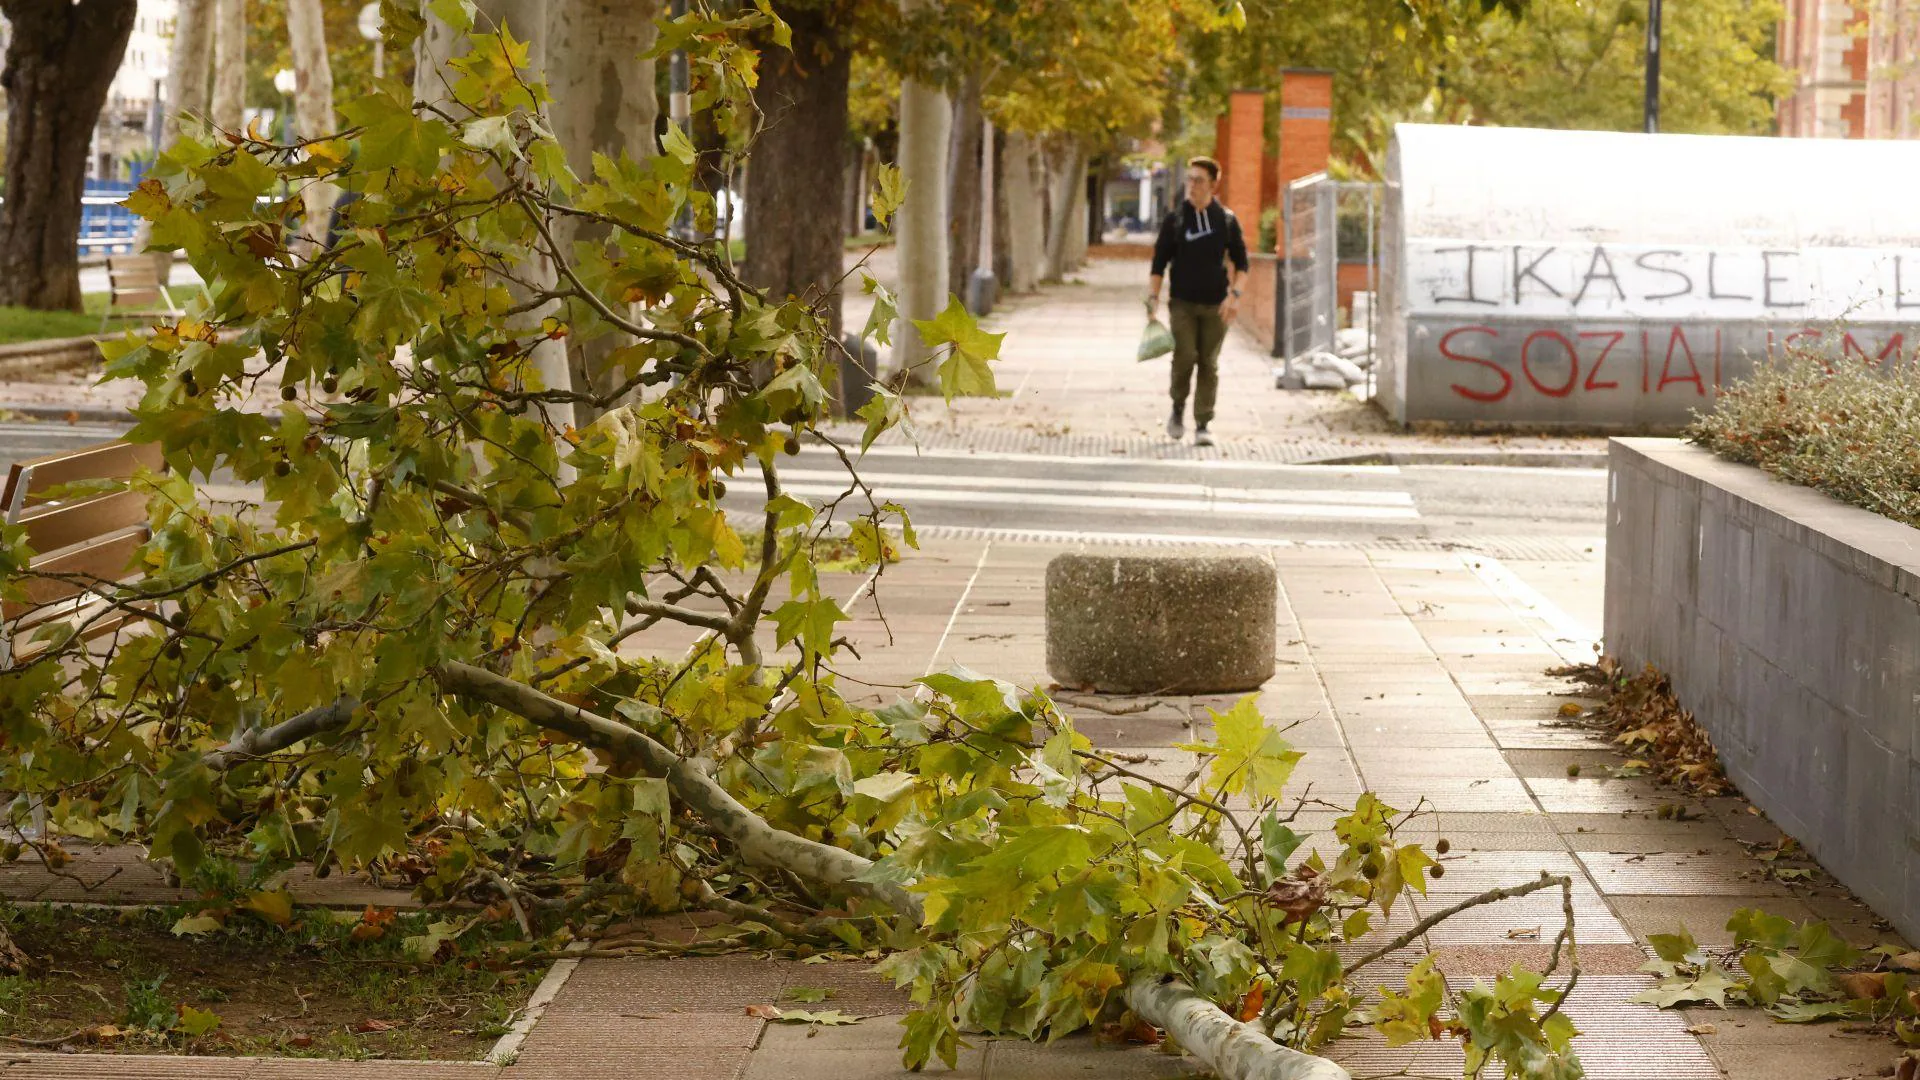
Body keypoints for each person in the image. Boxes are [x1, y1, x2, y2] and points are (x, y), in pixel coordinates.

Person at [1147, 157, 1249, 447]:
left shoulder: (1225, 220)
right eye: (1189, 179)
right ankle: (1177, 408)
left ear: (1213, 185)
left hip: (1216, 305)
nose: (1192, 185)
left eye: (1199, 180)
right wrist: (1152, 298)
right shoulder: (1176, 219)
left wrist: (1235, 296)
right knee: (1184, 356)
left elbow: (1242, 264)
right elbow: (1159, 263)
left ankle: (1203, 422)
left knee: (1208, 362)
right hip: (1182, 302)